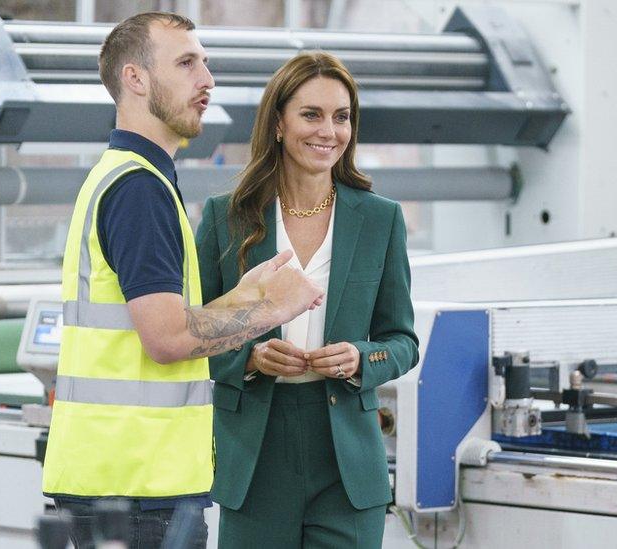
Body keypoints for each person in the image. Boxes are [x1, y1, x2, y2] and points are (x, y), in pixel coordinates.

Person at [40, 13, 324, 549]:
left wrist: (244, 296)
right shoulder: (138, 190)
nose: (207, 80)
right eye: (187, 62)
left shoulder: (130, 177)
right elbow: (167, 338)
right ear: (136, 79)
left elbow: (156, 321)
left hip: (124, 481)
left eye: (206, 63)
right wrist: (271, 310)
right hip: (134, 488)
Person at [196, 52, 420, 548]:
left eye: (342, 117)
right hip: (255, 453)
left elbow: (402, 340)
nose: (329, 131)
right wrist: (248, 357)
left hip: (346, 460)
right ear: (278, 123)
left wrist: (362, 357)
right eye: (311, 115)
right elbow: (190, 333)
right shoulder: (225, 218)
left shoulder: (380, 220)